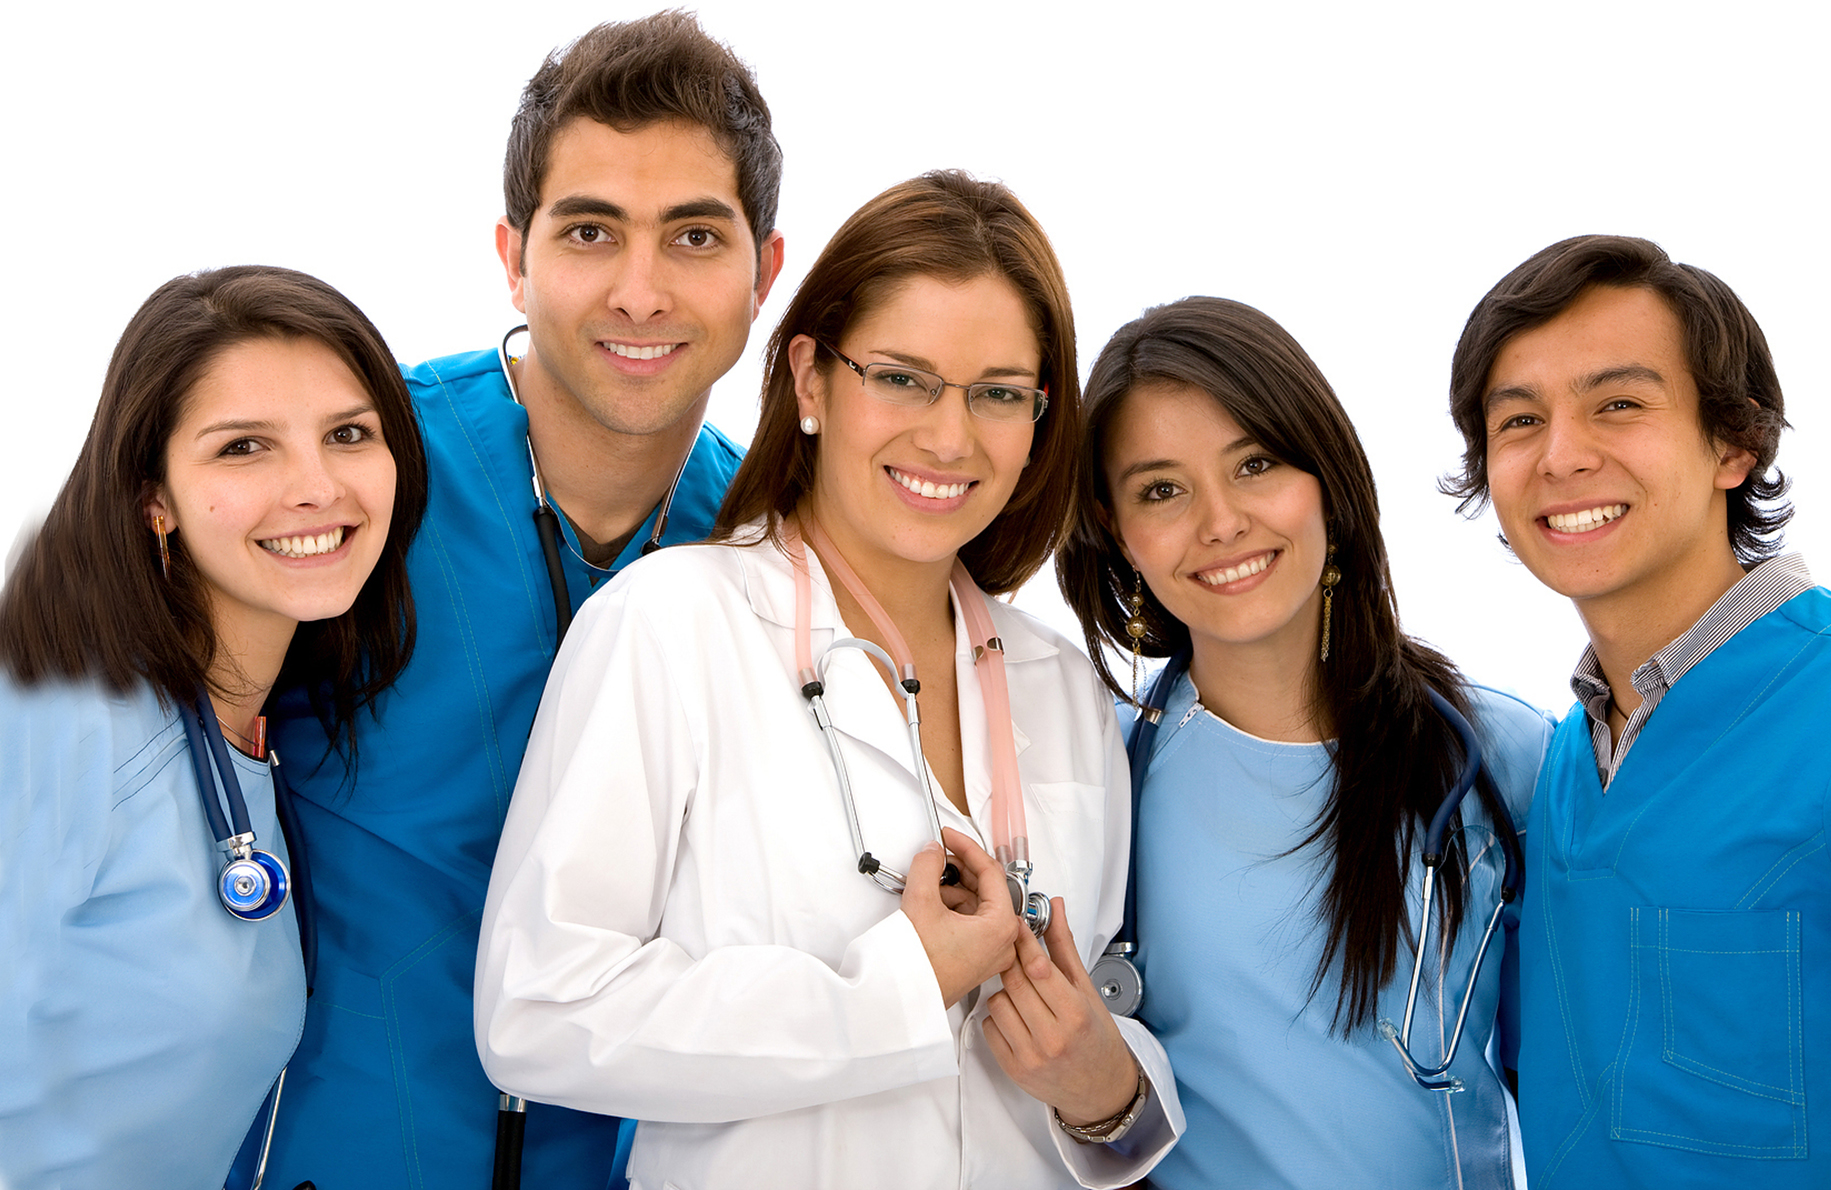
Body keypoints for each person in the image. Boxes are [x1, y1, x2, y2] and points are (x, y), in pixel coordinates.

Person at [475, 170, 1183, 1189]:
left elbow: (1104, 999)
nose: (949, 435)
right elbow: (536, 1011)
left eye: (997, 393)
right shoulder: (671, 623)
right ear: (809, 379)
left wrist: (1105, 1086)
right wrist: (896, 989)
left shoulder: (1058, 682)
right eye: (901, 376)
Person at [259, 13, 786, 1188]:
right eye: (590, 230)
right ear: (514, 254)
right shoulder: (352, 475)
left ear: (766, 272)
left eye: (694, 235)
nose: (639, 291)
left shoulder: (773, 553)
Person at [1057, 297, 1552, 1188]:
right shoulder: (1095, 784)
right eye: (1161, 489)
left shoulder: (1503, 761)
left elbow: (1584, 1087)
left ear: (1325, 476)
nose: (1220, 522)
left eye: (1254, 464)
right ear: (1115, 530)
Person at [0, 265, 427, 1188]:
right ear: (153, 496)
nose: (315, 487)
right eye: (244, 448)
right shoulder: (60, 727)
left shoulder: (252, 731)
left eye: (349, 434)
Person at [1443, 235, 1826, 1187]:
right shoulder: (1563, 767)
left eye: (1618, 404)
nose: (1561, 456)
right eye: (1518, 420)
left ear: (1732, 443)